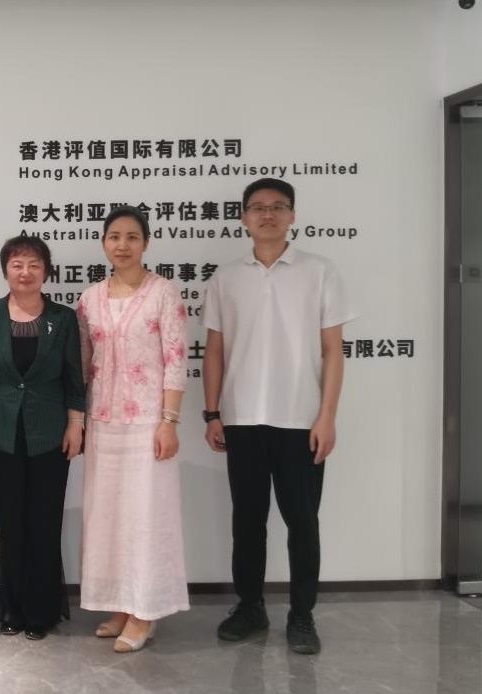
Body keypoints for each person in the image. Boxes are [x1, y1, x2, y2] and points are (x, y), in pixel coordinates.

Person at [202, 178, 356, 655]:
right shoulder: (226, 277)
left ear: (292, 215)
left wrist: (326, 416)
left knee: (302, 523)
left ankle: (302, 615)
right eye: (258, 208)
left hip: (301, 421)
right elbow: (214, 351)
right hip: (242, 418)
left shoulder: (320, 271)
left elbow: (333, 351)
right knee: (247, 521)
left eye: (278, 207)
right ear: (243, 218)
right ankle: (250, 607)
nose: (267, 215)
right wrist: (212, 413)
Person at [0, 235, 84, 640]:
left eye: (33, 264)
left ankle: (42, 611)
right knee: (10, 525)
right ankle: (12, 608)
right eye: (17, 264)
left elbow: (74, 377)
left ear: (46, 270)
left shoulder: (63, 319)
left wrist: (76, 424)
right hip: (1, 435)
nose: (25, 272)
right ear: (5, 271)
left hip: (50, 434)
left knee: (44, 525)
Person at [76, 206, 190, 653]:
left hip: (147, 424)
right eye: (114, 237)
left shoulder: (164, 293)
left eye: (131, 237)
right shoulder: (90, 299)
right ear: (104, 242)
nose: (122, 245)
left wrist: (169, 422)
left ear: (145, 243)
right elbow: (83, 364)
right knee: (109, 521)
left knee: (146, 521)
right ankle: (122, 606)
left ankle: (145, 612)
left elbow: (176, 361)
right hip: (103, 423)